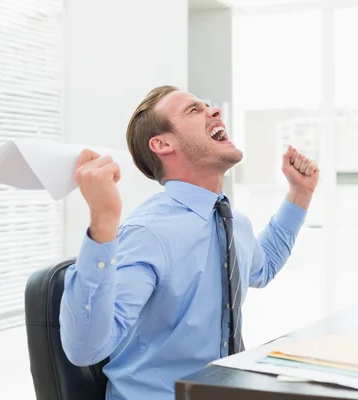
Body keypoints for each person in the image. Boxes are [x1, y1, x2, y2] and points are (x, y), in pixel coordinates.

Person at [59, 85, 319, 400]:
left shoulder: (232, 222)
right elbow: (86, 348)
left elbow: (262, 267)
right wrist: (103, 219)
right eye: (193, 110)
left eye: (207, 105)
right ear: (162, 144)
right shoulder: (148, 234)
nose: (214, 111)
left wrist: (300, 193)